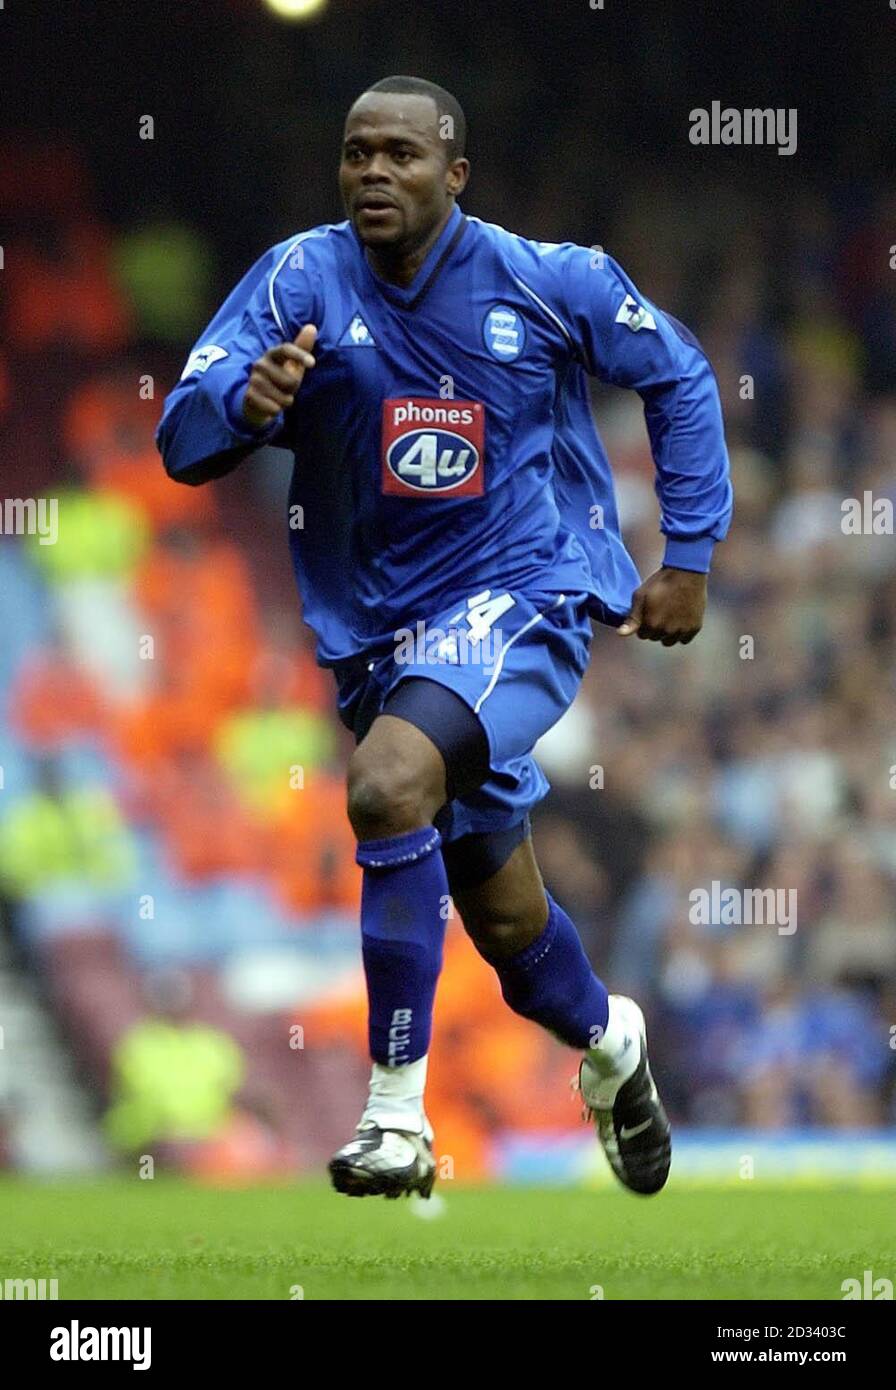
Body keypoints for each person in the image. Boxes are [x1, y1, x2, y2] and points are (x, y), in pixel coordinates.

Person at [157, 75, 732, 1199]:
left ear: (453, 175)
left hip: (527, 591)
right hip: (379, 638)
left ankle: (393, 1118)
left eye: (400, 156)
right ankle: (612, 1043)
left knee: (384, 786)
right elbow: (181, 436)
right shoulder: (294, 282)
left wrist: (691, 557)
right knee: (513, 938)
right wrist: (246, 406)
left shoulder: (543, 279)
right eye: (356, 153)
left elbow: (678, 370)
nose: (374, 172)